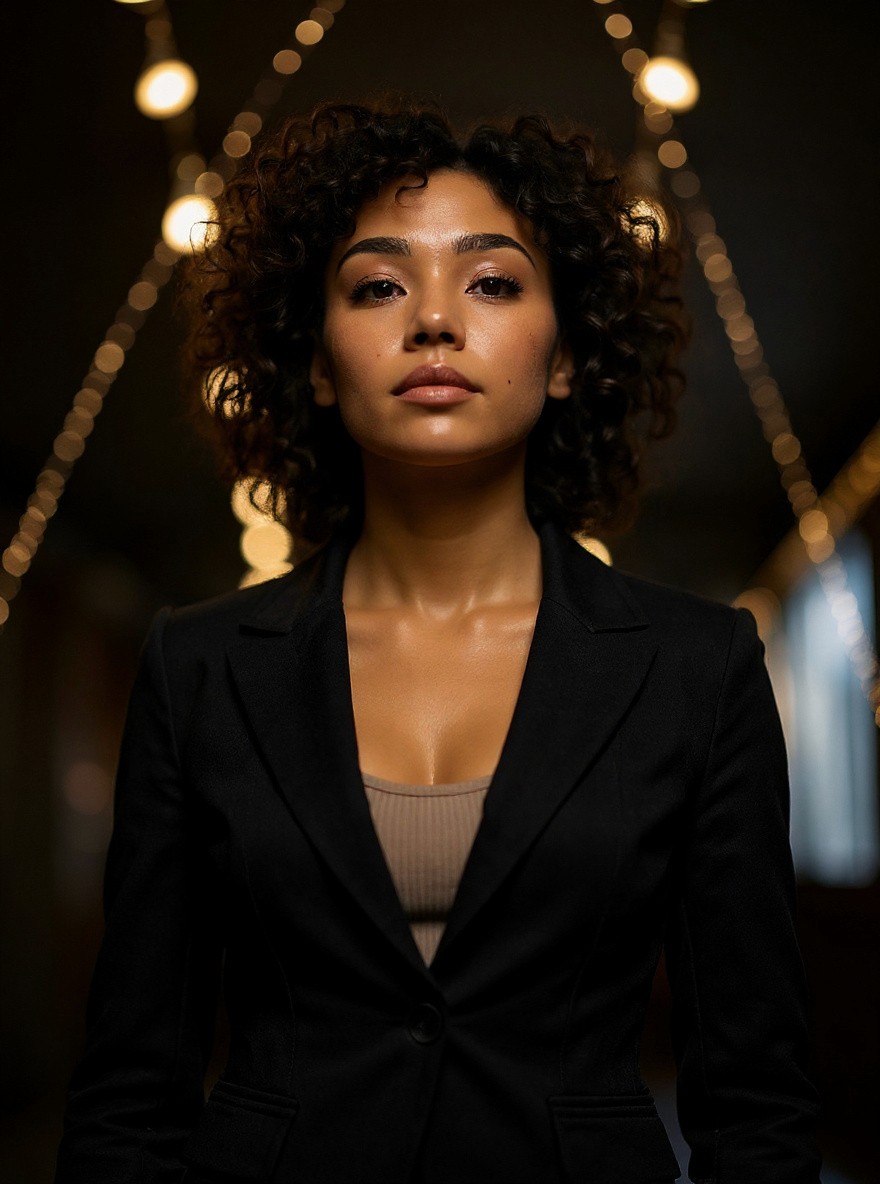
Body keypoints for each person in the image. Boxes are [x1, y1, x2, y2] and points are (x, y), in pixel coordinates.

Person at [54, 97, 821, 1183]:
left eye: (492, 280)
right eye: (378, 285)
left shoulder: (697, 669)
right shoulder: (201, 668)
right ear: (314, 361)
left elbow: (757, 1107)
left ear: (566, 355)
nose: (433, 320)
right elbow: (129, 1096)